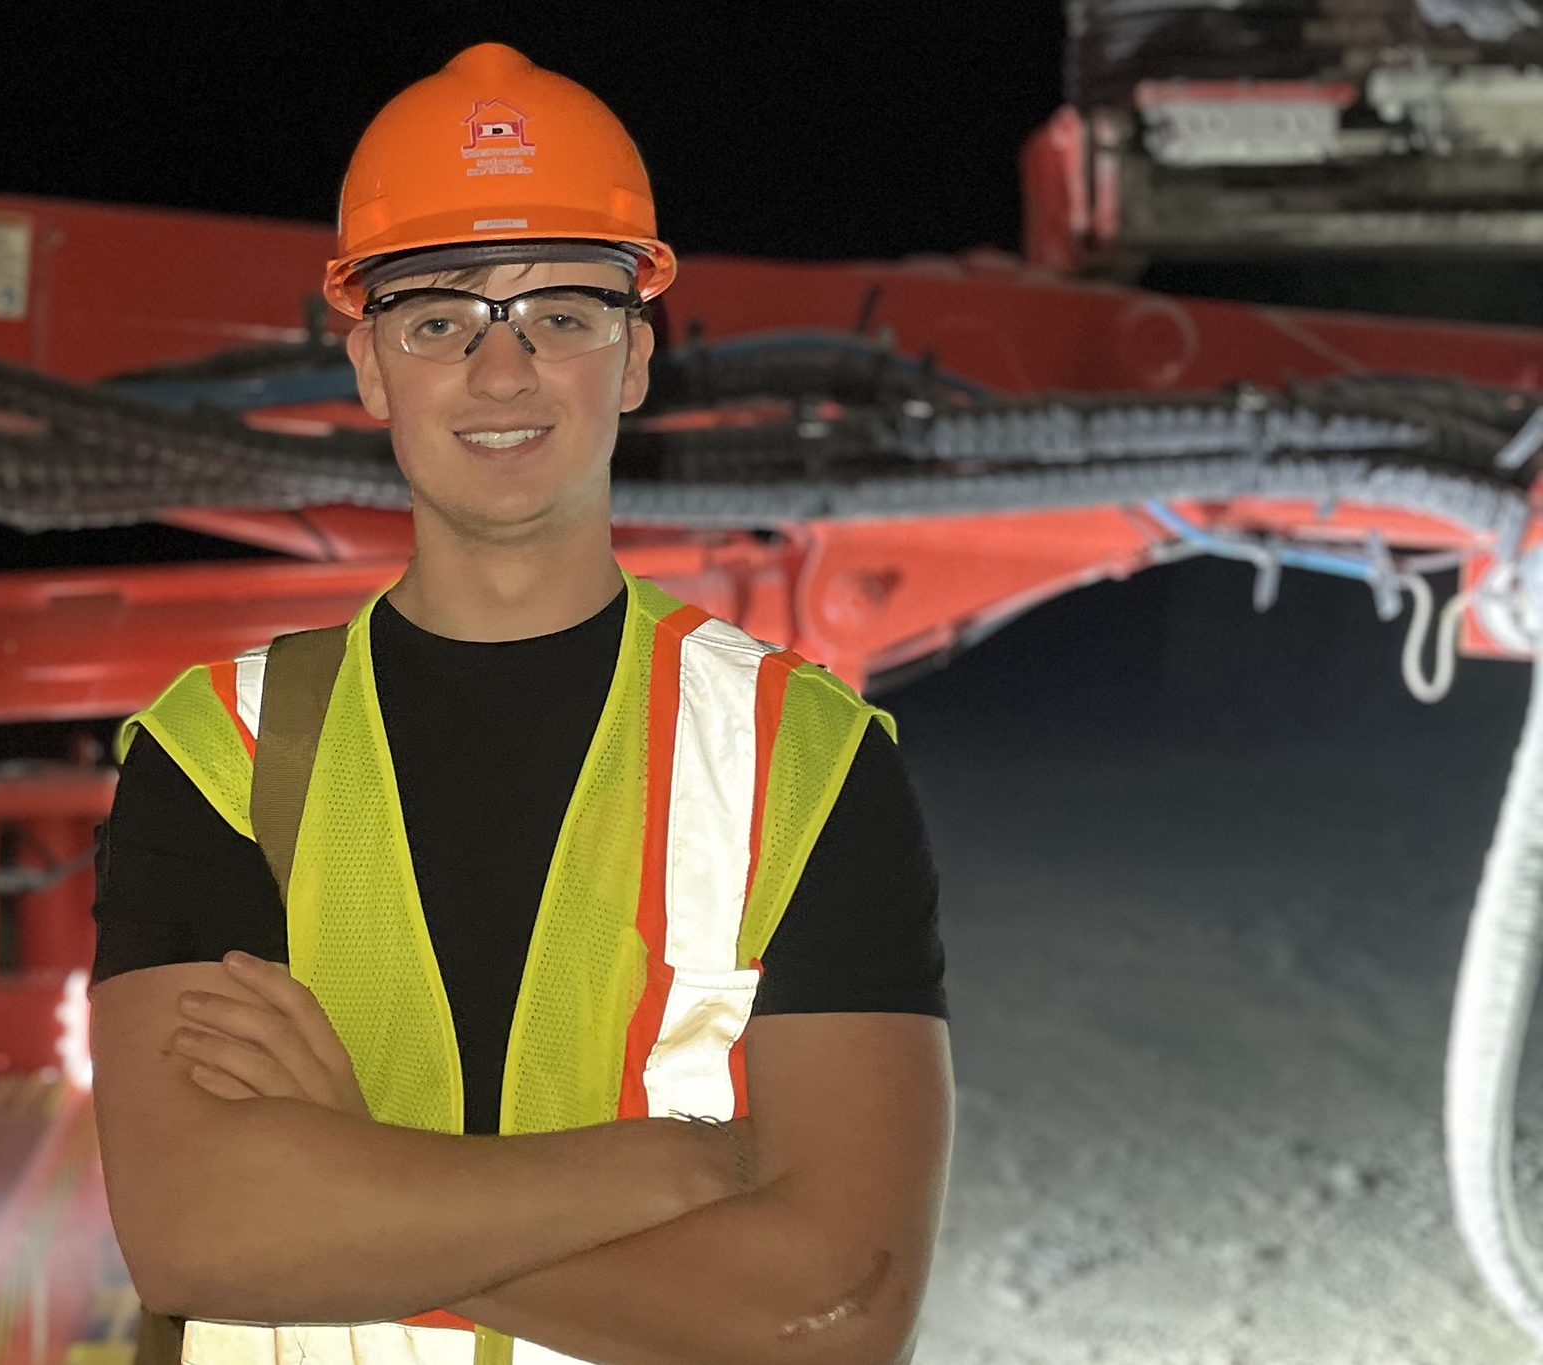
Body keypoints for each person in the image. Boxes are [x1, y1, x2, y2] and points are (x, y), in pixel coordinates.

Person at [89, 41, 953, 1365]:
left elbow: (831, 1315)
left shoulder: (805, 760)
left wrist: (354, 1186)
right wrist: (678, 1171)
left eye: (562, 311)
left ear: (636, 356)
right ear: (372, 368)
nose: (504, 371)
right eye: (439, 316)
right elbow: (199, 1231)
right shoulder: (220, 752)